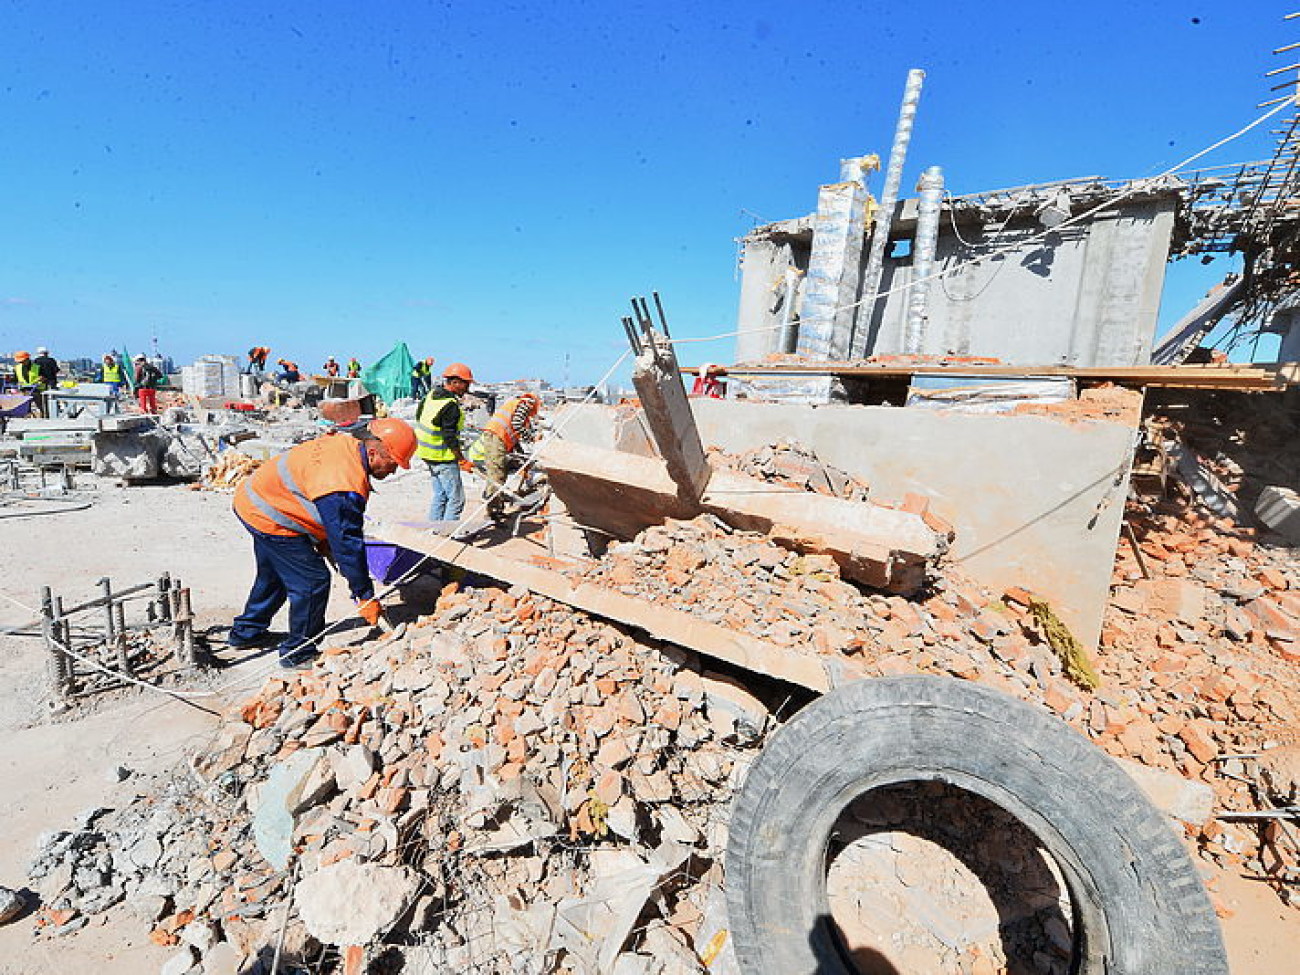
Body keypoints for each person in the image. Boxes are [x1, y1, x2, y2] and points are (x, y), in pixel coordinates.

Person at [229, 418, 417, 667]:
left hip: (256, 500)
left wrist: (327, 540)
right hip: (271, 514)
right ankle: (298, 653)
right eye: (392, 463)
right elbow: (347, 544)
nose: (393, 471)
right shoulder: (343, 483)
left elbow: (329, 519)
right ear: (373, 452)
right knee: (312, 582)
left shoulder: (347, 445)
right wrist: (364, 594)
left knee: (275, 574)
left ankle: (246, 633)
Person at [415, 362, 474, 522]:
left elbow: (419, 417)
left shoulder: (431, 395)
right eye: (465, 384)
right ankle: (447, 535)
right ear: (455, 382)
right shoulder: (450, 405)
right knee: (456, 499)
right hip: (443, 457)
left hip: (426, 454)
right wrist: (461, 459)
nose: (467, 389)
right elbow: (449, 436)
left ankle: (434, 530)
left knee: (440, 495)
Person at [469, 392, 541, 519]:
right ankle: (492, 510)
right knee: (497, 475)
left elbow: (514, 438)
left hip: (497, 438)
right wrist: (532, 438)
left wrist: (523, 460)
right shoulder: (525, 405)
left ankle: (497, 507)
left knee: (500, 474)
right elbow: (517, 425)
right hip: (496, 439)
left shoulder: (515, 406)